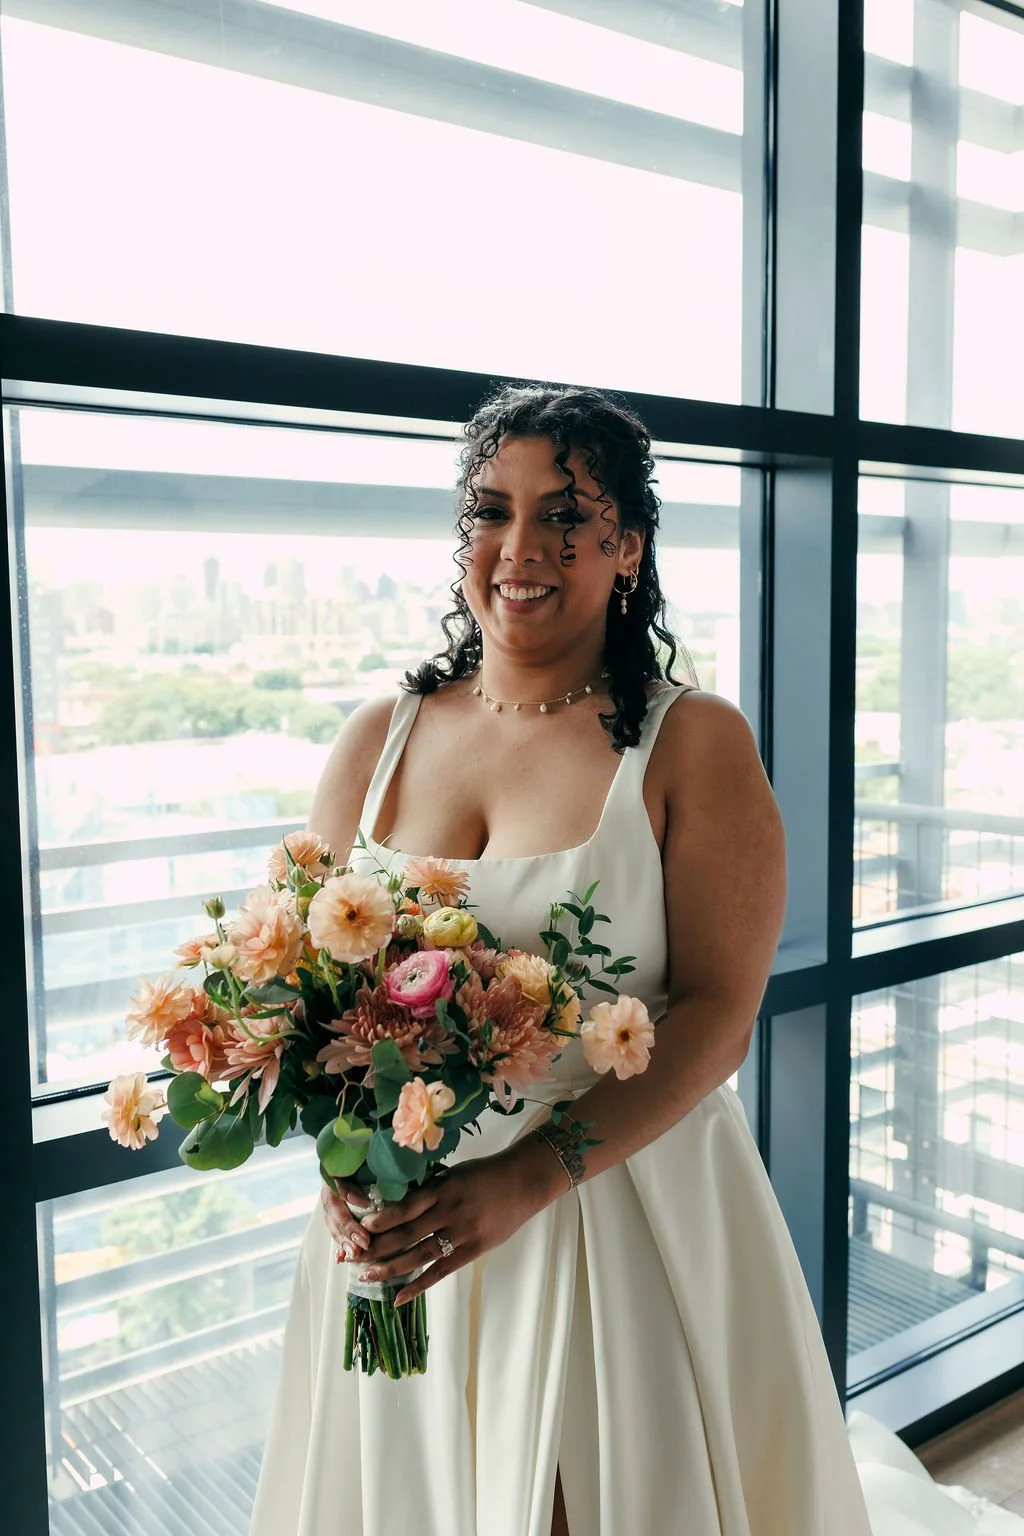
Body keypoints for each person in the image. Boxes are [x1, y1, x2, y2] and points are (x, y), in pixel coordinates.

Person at [249, 386, 993, 1536]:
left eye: (566, 515)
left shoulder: (692, 742)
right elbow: (303, 987)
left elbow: (718, 1011)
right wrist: (346, 1170)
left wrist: (528, 1178)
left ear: (627, 548)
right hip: (405, 1228)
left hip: (613, 1219)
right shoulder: (375, 738)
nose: (521, 547)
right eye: (490, 511)